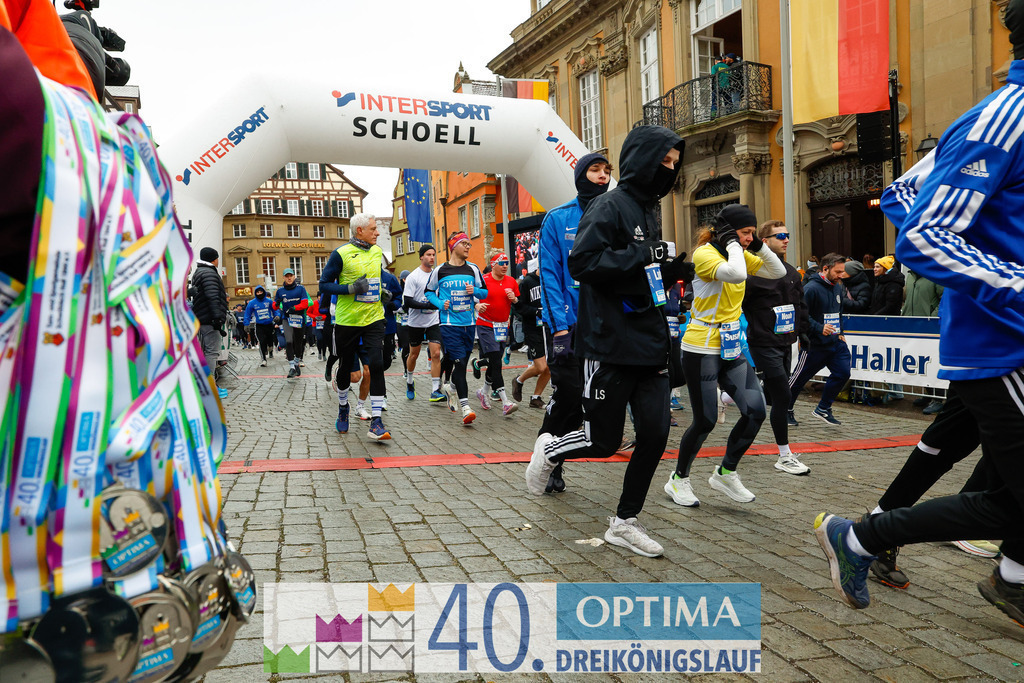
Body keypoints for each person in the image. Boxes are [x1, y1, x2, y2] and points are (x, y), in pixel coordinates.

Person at [814, 1, 1024, 626]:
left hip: (998, 340)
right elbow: (919, 224)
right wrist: (1011, 284)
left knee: (992, 478)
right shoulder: (1003, 119)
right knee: (979, 468)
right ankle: (862, 537)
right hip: (1000, 343)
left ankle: (1006, 574)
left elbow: (910, 199)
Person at [524, 124, 693, 558]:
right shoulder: (608, 206)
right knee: (604, 441)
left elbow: (640, 273)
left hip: (651, 341)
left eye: (675, 165)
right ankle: (551, 448)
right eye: (664, 162)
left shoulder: (650, 210)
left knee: (655, 436)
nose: (669, 171)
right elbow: (583, 262)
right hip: (609, 344)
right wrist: (645, 256)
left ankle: (624, 522)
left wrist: (670, 273)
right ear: (642, 160)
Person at [666, 205, 786, 508]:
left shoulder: (740, 252)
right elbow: (736, 275)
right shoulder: (705, 254)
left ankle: (725, 472)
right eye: (746, 233)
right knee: (705, 420)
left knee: (755, 410)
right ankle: (678, 479)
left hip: (731, 345)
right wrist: (734, 244)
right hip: (701, 345)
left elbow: (778, 271)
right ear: (729, 232)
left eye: (751, 233)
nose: (749, 238)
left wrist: (756, 244)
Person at [537, 150, 613, 493]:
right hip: (568, 325)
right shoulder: (557, 218)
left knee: (593, 398)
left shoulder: (616, 214)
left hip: (606, 326)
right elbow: (550, 276)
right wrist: (560, 330)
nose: (602, 175)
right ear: (582, 175)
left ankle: (560, 455)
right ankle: (549, 462)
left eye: (606, 170)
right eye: (595, 169)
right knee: (567, 396)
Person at [741, 220, 810, 476]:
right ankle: (784, 455)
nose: (786, 239)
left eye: (788, 235)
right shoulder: (752, 271)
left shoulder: (792, 272)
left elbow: (799, 304)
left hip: (786, 342)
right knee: (783, 395)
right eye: (780, 235)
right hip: (763, 342)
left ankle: (728, 396)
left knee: (772, 394)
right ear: (765, 241)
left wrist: (803, 331)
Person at [318, 212, 391, 441]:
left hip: (373, 318)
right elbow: (324, 285)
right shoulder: (341, 254)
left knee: (377, 365)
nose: (377, 232)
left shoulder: (377, 251)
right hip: (347, 321)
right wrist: (350, 289)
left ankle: (377, 421)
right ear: (360, 230)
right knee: (346, 368)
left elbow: (375, 279)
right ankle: (343, 408)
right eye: (373, 229)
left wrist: (382, 293)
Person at [425, 232, 488, 425]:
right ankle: (466, 407)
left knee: (461, 361)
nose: (468, 247)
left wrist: (474, 292)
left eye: (469, 244)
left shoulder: (473, 269)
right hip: (449, 324)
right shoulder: (440, 270)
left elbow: (484, 292)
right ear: (454, 246)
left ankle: (451, 387)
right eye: (464, 244)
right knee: (460, 364)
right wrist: (439, 302)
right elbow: (428, 291)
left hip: (469, 324)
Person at [786, 253, 850, 426]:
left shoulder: (838, 287)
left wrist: (841, 331)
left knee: (843, 372)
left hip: (835, 342)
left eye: (842, 272)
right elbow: (800, 315)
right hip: (814, 344)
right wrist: (819, 328)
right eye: (838, 272)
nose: (841, 275)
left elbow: (839, 312)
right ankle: (785, 409)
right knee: (799, 379)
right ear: (825, 269)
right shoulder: (811, 288)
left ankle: (823, 408)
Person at [474, 252, 521, 416]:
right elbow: (470, 295)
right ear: (493, 264)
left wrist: (514, 299)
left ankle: (483, 391)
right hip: (485, 325)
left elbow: (518, 303)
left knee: (495, 362)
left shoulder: (512, 281)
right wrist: (476, 306)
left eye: (507, 262)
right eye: (502, 263)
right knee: (495, 360)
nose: (505, 266)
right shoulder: (483, 280)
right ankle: (505, 401)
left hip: (502, 326)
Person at [403, 244, 444, 402]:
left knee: (435, 353)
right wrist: (427, 305)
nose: (432, 257)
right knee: (414, 354)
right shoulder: (414, 277)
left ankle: (435, 390)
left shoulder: (436, 275)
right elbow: (408, 302)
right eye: (428, 254)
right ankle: (410, 381)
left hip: (433, 320)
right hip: (416, 322)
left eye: (433, 254)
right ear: (421, 257)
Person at [902, 269, 944, 414]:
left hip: (929, 325)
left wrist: (932, 316)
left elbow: (943, 298)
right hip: (913, 324)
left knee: (931, 361)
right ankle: (928, 393)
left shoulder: (933, 274)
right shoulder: (909, 276)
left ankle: (938, 398)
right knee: (920, 361)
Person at [512, 259, 550, 410]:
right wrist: (535, 312)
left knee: (550, 368)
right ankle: (519, 380)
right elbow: (519, 307)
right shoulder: (527, 282)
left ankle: (536, 398)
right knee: (541, 367)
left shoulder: (552, 280)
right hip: (533, 329)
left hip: (549, 329)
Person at [189, 247, 229, 384]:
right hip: (209, 319)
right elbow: (213, 296)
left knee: (205, 351)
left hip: (202, 317)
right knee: (212, 352)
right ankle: (209, 384)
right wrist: (217, 318)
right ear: (214, 259)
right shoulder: (210, 274)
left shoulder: (199, 271)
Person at [273, 268, 309, 378]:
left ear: (294, 277)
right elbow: (274, 306)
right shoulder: (280, 291)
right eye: (286, 276)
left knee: (298, 343)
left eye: (291, 276)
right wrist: (277, 304)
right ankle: (292, 367)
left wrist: (294, 308)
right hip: (286, 319)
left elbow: (305, 303)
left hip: (299, 319)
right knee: (288, 341)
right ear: (283, 277)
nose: (289, 278)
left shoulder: (301, 289)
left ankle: (297, 362)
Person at [244, 284, 276, 366]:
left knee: (270, 340)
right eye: (257, 292)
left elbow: (275, 310)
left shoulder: (269, 301)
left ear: (263, 292)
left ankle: (270, 348)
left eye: (261, 291)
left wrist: (277, 316)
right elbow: (247, 314)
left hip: (269, 324)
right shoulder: (252, 303)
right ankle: (263, 360)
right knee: (261, 341)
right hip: (259, 325)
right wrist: (246, 324)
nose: (259, 293)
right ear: (255, 293)